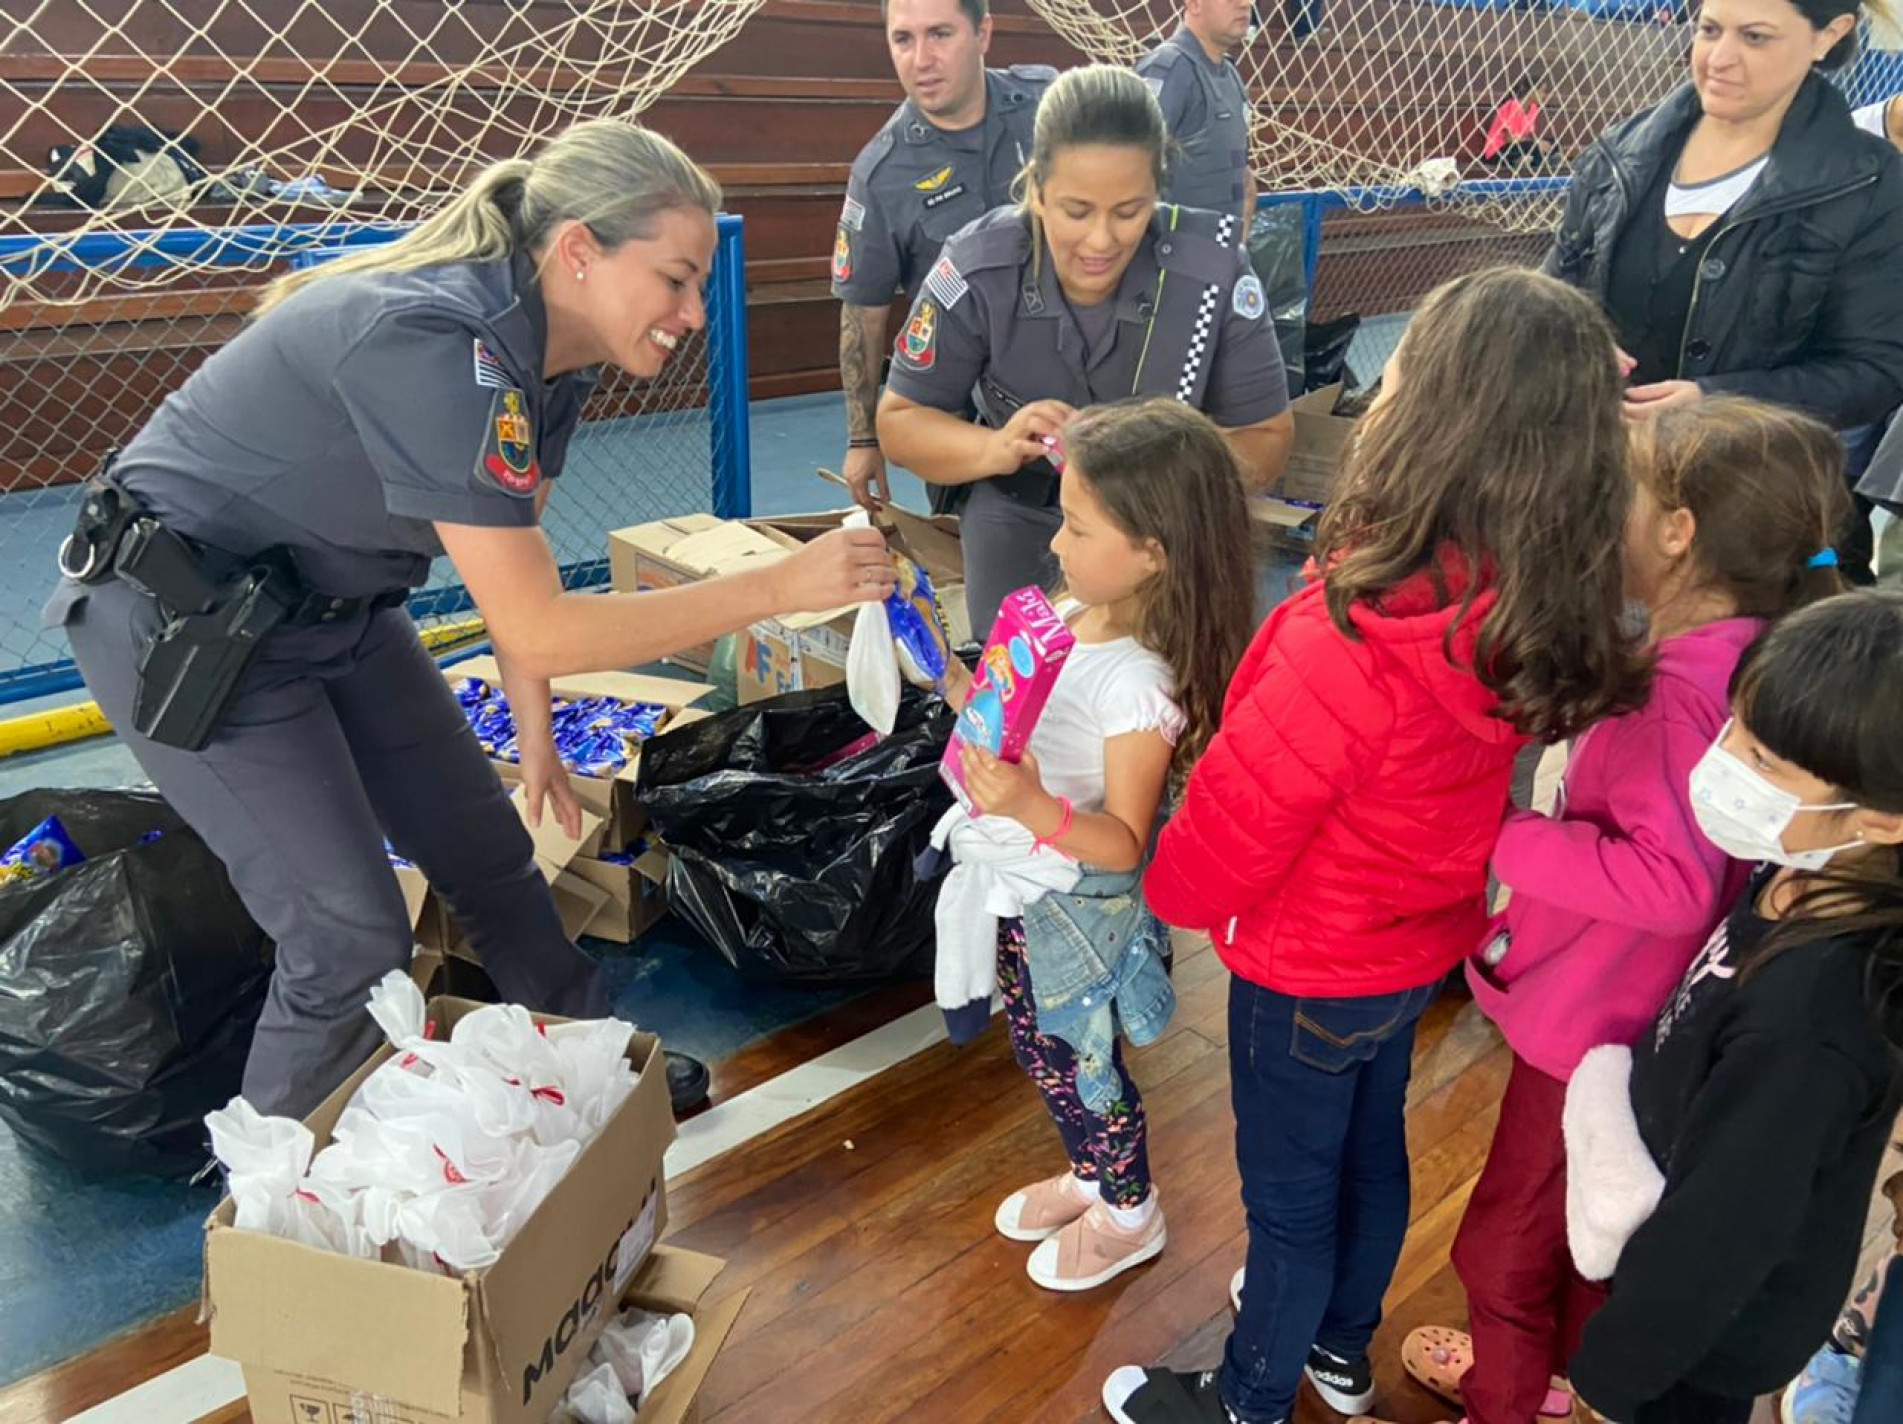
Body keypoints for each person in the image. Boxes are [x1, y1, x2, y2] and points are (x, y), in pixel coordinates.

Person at [46, 120, 898, 1124]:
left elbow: (516, 572)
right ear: (578, 250)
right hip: (183, 628)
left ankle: (592, 1063)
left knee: (490, 852)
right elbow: (536, 622)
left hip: (331, 606)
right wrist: (777, 585)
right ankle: (269, 1211)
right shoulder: (442, 347)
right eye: (672, 279)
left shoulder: (553, 352)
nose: (691, 314)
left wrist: (533, 726)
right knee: (347, 936)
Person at [1098, 267, 1652, 1424]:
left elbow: (1224, 849)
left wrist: (1157, 873)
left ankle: (1247, 1395)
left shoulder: (1344, 634)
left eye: (1395, 374)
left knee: (1292, 1202)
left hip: (1303, 963)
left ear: (1428, 424)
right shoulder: (1530, 607)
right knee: (1369, 1156)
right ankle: (1341, 1347)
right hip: (1409, 953)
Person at [1386, 398, 1851, 1424]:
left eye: (1624, 493)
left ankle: (1502, 1395)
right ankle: (1545, 1377)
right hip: (1656, 1017)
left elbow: (1667, 878)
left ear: (1679, 530)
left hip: (1588, 1023)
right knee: (1587, 1229)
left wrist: (1499, 834)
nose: (1604, 510)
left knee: (1505, 1242)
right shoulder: (1756, 651)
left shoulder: (1672, 693)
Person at [931, 397, 1254, 1292]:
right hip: (1028, 885)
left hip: (1077, 907)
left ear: (1153, 550)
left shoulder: (1140, 684)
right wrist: (961, 681)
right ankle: (1089, 1174)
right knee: (1041, 1049)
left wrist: (1033, 805)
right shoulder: (1072, 613)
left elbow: (1121, 846)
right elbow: (1018, 716)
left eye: (1075, 526)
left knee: (1080, 1061)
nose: (1054, 546)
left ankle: (1129, 1210)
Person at [1565, 591, 1903, 1424]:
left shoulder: (1814, 1022)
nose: (1723, 767)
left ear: (1880, 821)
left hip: (1704, 1331)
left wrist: (1604, 1383)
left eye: (1764, 763)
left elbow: (1723, 1235)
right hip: (1681, 1259)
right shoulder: (1805, 870)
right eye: (1735, 734)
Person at [877, 63, 1294, 640]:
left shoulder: (1210, 271)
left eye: (1129, 211)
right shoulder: (978, 266)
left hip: (1162, 538)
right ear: (1037, 190)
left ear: (1157, 194)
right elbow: (901, 421)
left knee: (1178, 701)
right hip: (1021, 516)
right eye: (1076, 211)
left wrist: (1154, 470)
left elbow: (1267, 436)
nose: (1102, 241)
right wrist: (996, 445)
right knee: (1018, 701)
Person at [1543, 0, 1903, 582]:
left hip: (1744, 517)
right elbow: (1553, 289)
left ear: (1827, 36)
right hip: (1593, 496)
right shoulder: (1623, 153)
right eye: (1710, 30)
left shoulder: (1868, 183)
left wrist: (1716, 400)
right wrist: (1570, 340)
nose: (1721, 59)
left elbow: (1877, 368)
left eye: (1756, 37)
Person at [834, 0, 1054, 513]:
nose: (920, 59)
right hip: (968, 428)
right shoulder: (881, 174)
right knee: (996, 582)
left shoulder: (1050, 107)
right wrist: (864, 440)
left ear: (983, 34)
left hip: (1082, 387)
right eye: (902, 39)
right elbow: (862, 315)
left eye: (940, 34)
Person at [1136, 0, 1258, 231]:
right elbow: (1130, 172)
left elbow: (1243, 178)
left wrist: (1234, 251)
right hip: (1169, 259)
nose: (1246, 4)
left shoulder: (1231, 78)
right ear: (1194, 4)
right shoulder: (1170, 70)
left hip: (1216, 257)